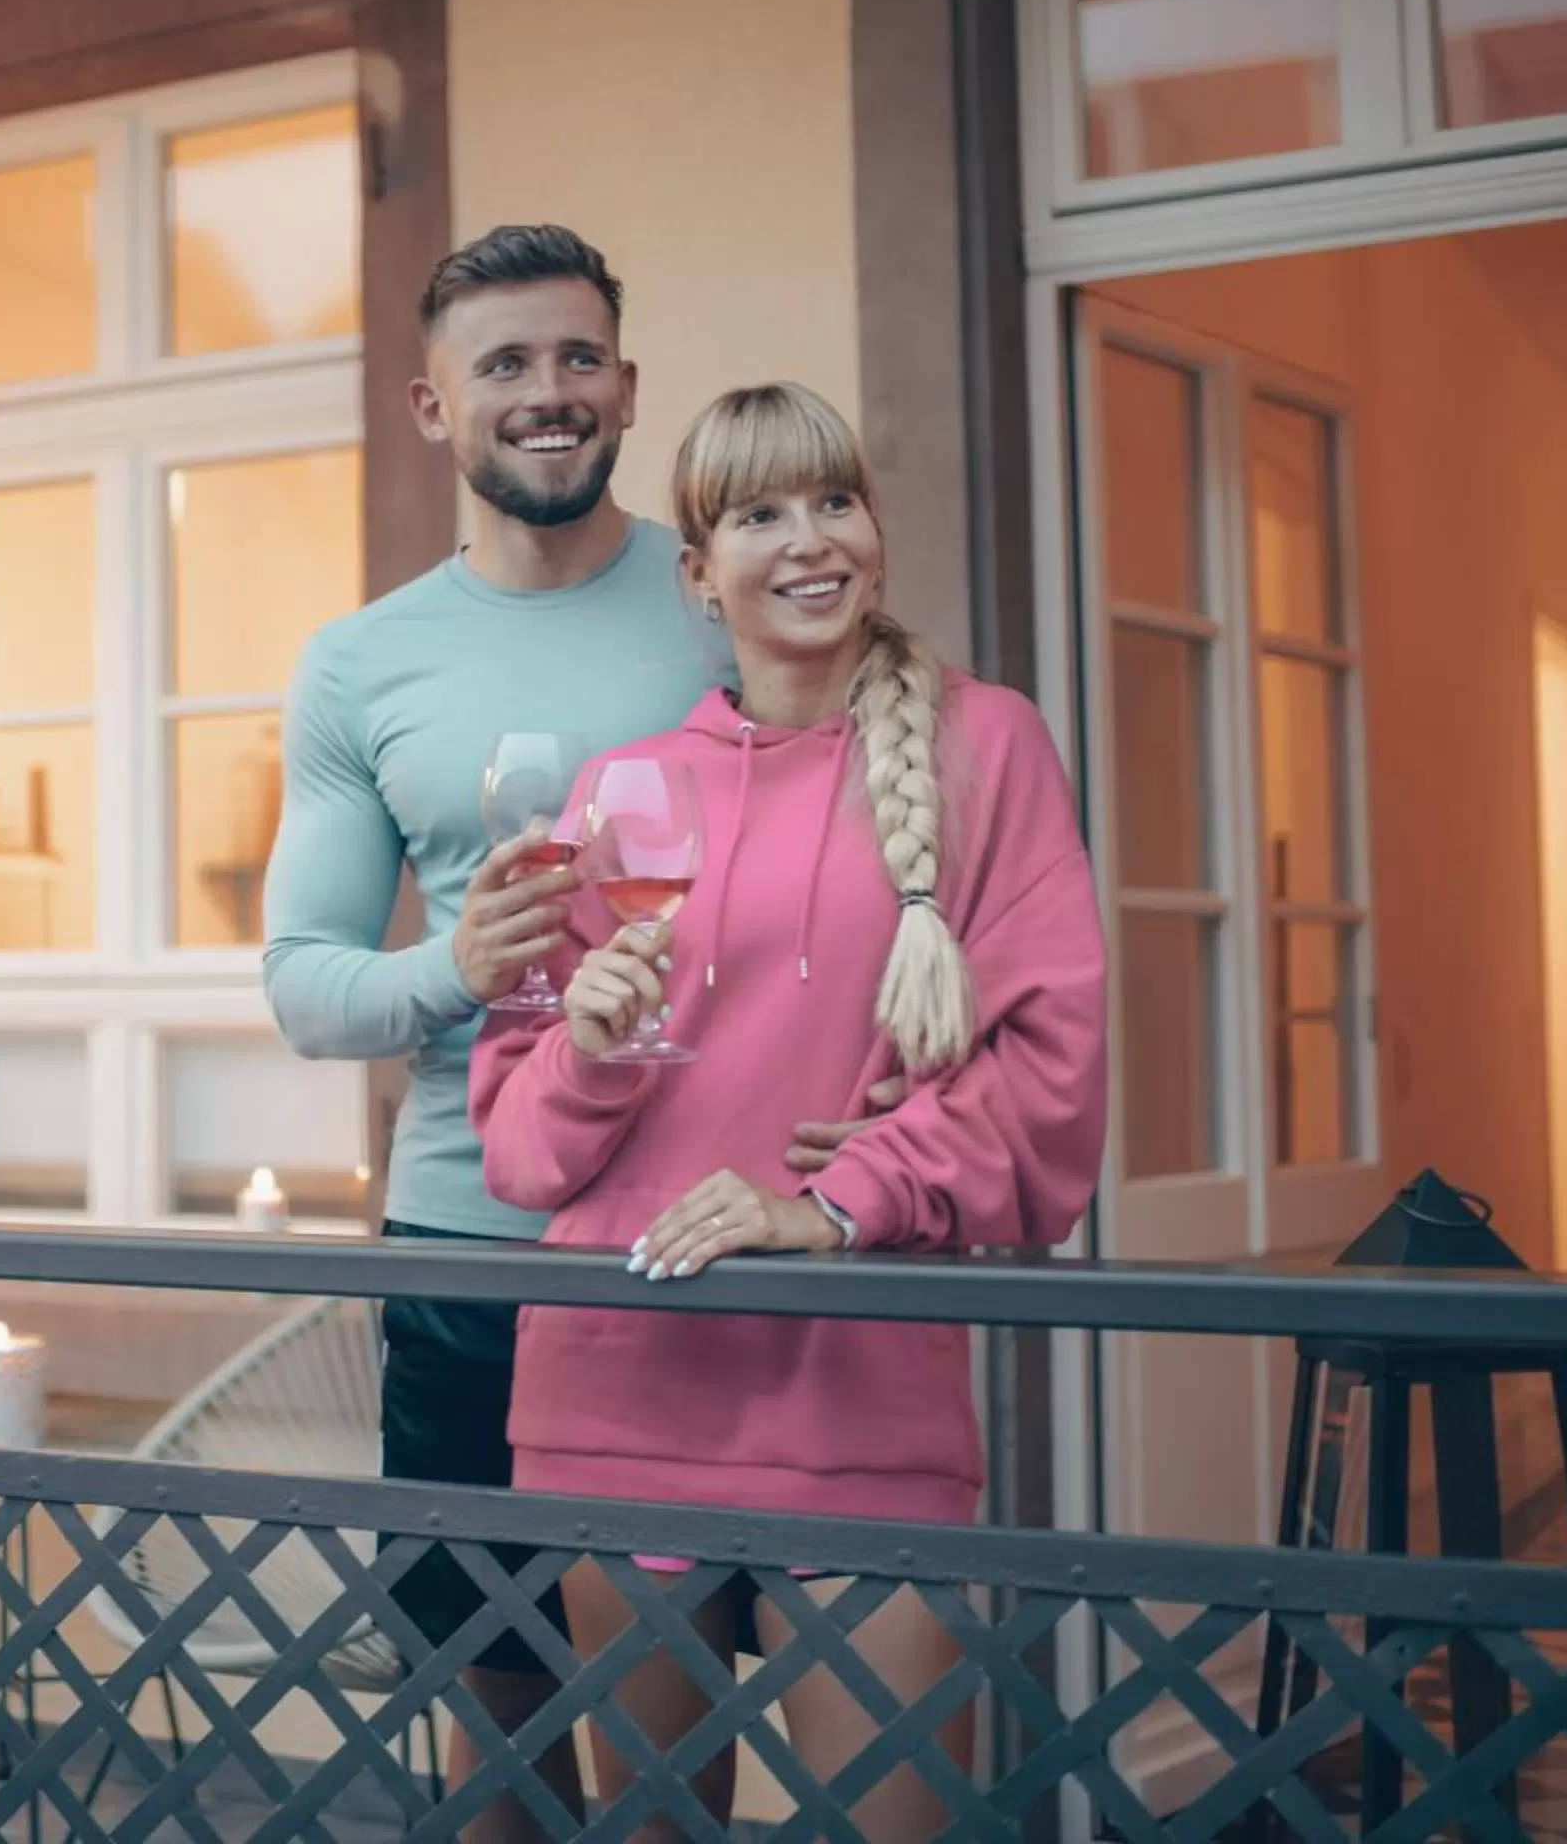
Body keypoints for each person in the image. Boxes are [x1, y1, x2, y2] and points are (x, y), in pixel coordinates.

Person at [467, 381, 1108, 1839]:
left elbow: (1055, 1086)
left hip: (860, 1384)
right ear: (700, 574)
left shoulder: (984, 748)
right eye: (758, 514)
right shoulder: (626, 788)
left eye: (834, 500)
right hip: (620, 1379)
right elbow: (518, 1147)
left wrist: (836, 1199)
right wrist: (593, 1048)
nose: (808, 541)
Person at [261, 224, 745, 1835]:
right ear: (432, 406)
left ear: (625, 383)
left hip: (696, 1240)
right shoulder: (360, 663)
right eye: (507, 366)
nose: (551, 394)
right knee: (501, 1713)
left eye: (579, 358)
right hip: (469, 1245)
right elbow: (306, 983)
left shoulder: (725, 600)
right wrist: (452, 969)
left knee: (680, 1723)